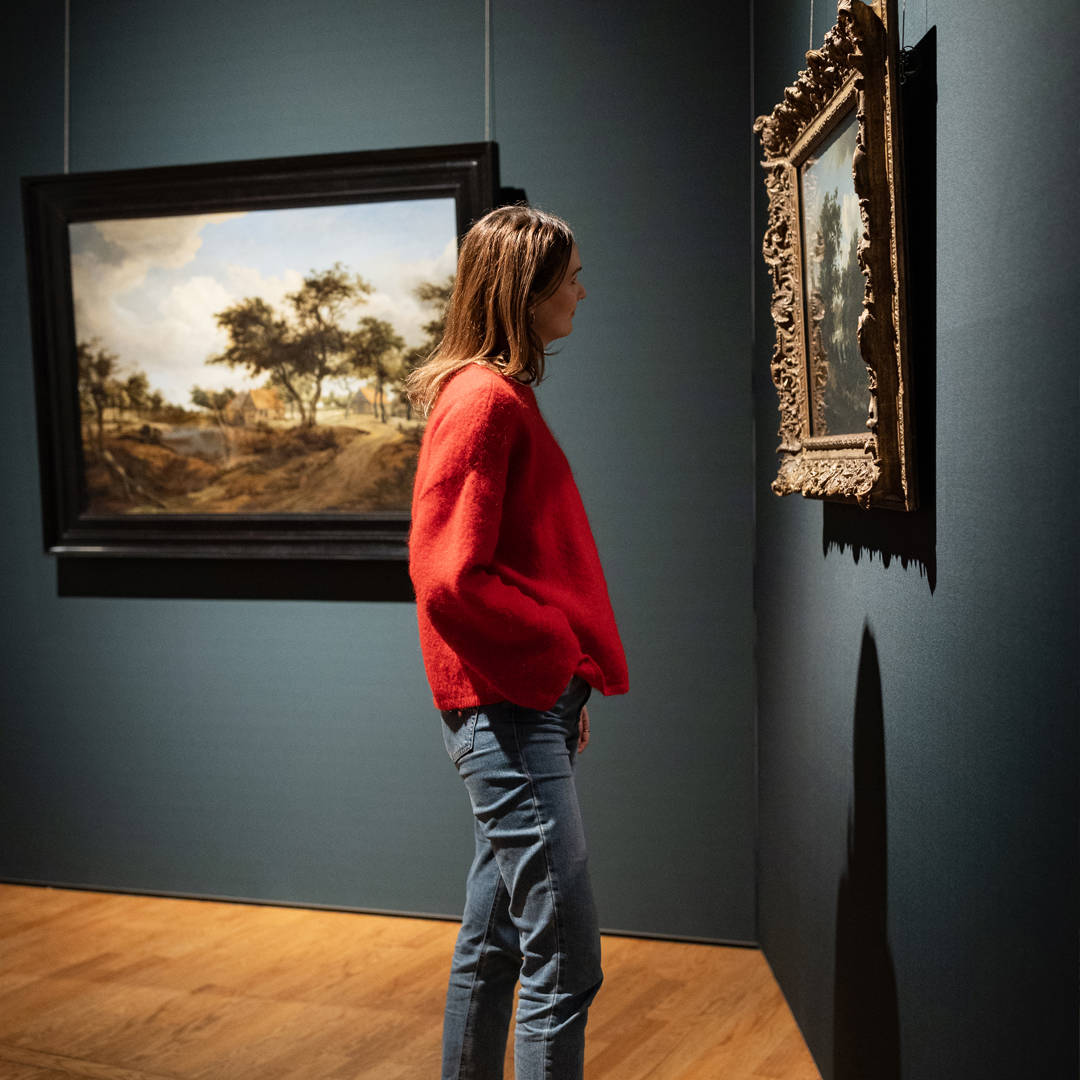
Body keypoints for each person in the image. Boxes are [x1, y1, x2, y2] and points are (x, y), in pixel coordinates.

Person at [406, 204, 629, 1080]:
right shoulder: (484, 402)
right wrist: (553, 661)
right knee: (568, 961)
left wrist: (563, 676)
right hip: (506, 706)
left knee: (496, 938)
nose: (581, 288)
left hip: (517, 700)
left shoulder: (499, 395)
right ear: (527, 291)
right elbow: (449, 577)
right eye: (569, 274)